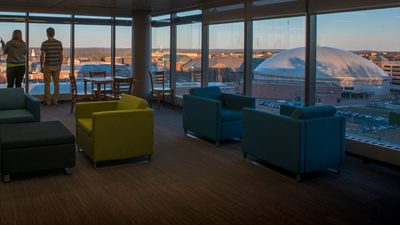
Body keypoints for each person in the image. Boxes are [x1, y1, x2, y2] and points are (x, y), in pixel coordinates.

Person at [40, 27, 63, 105]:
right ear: (54, 33)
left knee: (47, 84)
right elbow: (61, 56)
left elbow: (42, 56)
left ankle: (48, 101)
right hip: (56, 66)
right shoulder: (59, 43)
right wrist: (60, 64)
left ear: (47, 34)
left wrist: (41, 65)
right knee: (56, 84)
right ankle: (55, 100)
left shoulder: (44, 43)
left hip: (48, 66)